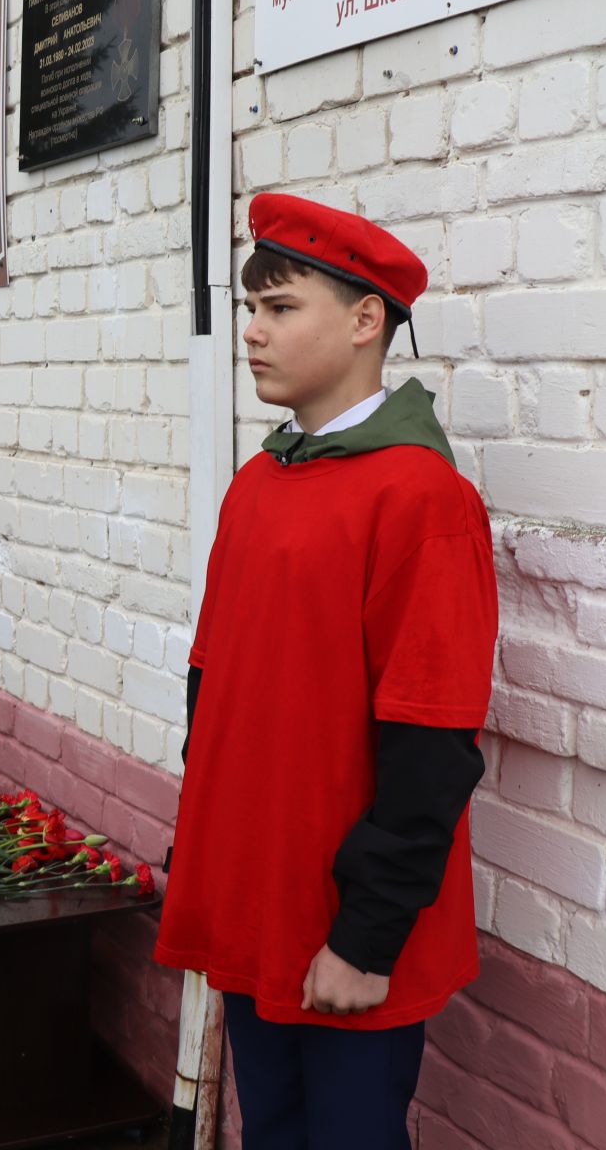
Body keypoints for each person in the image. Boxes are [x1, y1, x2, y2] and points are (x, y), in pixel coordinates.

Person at [154, 194, 498, 1150]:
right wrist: (209, 852)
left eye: (280, 308)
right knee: (272, 1131)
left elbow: (432, 739)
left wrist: (367, 935)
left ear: (363, 320)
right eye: (251, 310)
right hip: (257, 896)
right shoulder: (260, 483)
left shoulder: (423, 500)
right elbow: (212, 681)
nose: (252, 334)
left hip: (344, 923)